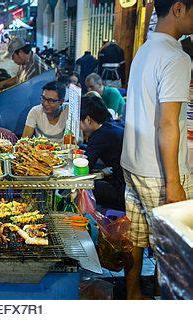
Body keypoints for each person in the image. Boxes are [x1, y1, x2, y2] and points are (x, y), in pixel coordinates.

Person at [120, 0, 193, 300]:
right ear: (178, 9)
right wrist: (174, 184)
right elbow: (167, 123)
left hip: (134, 164)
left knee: (136, 238)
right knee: (174, 249)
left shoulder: (145, 50)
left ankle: (133, 297)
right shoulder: (175, 57)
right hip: (160, 172)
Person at [80, 95, 125, 211]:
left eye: (79, 122)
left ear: (88, 120)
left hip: (121, 191)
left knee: (82, 187)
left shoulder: (99, 136)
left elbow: (84, 169)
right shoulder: (114, 124)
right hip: (127, 181)